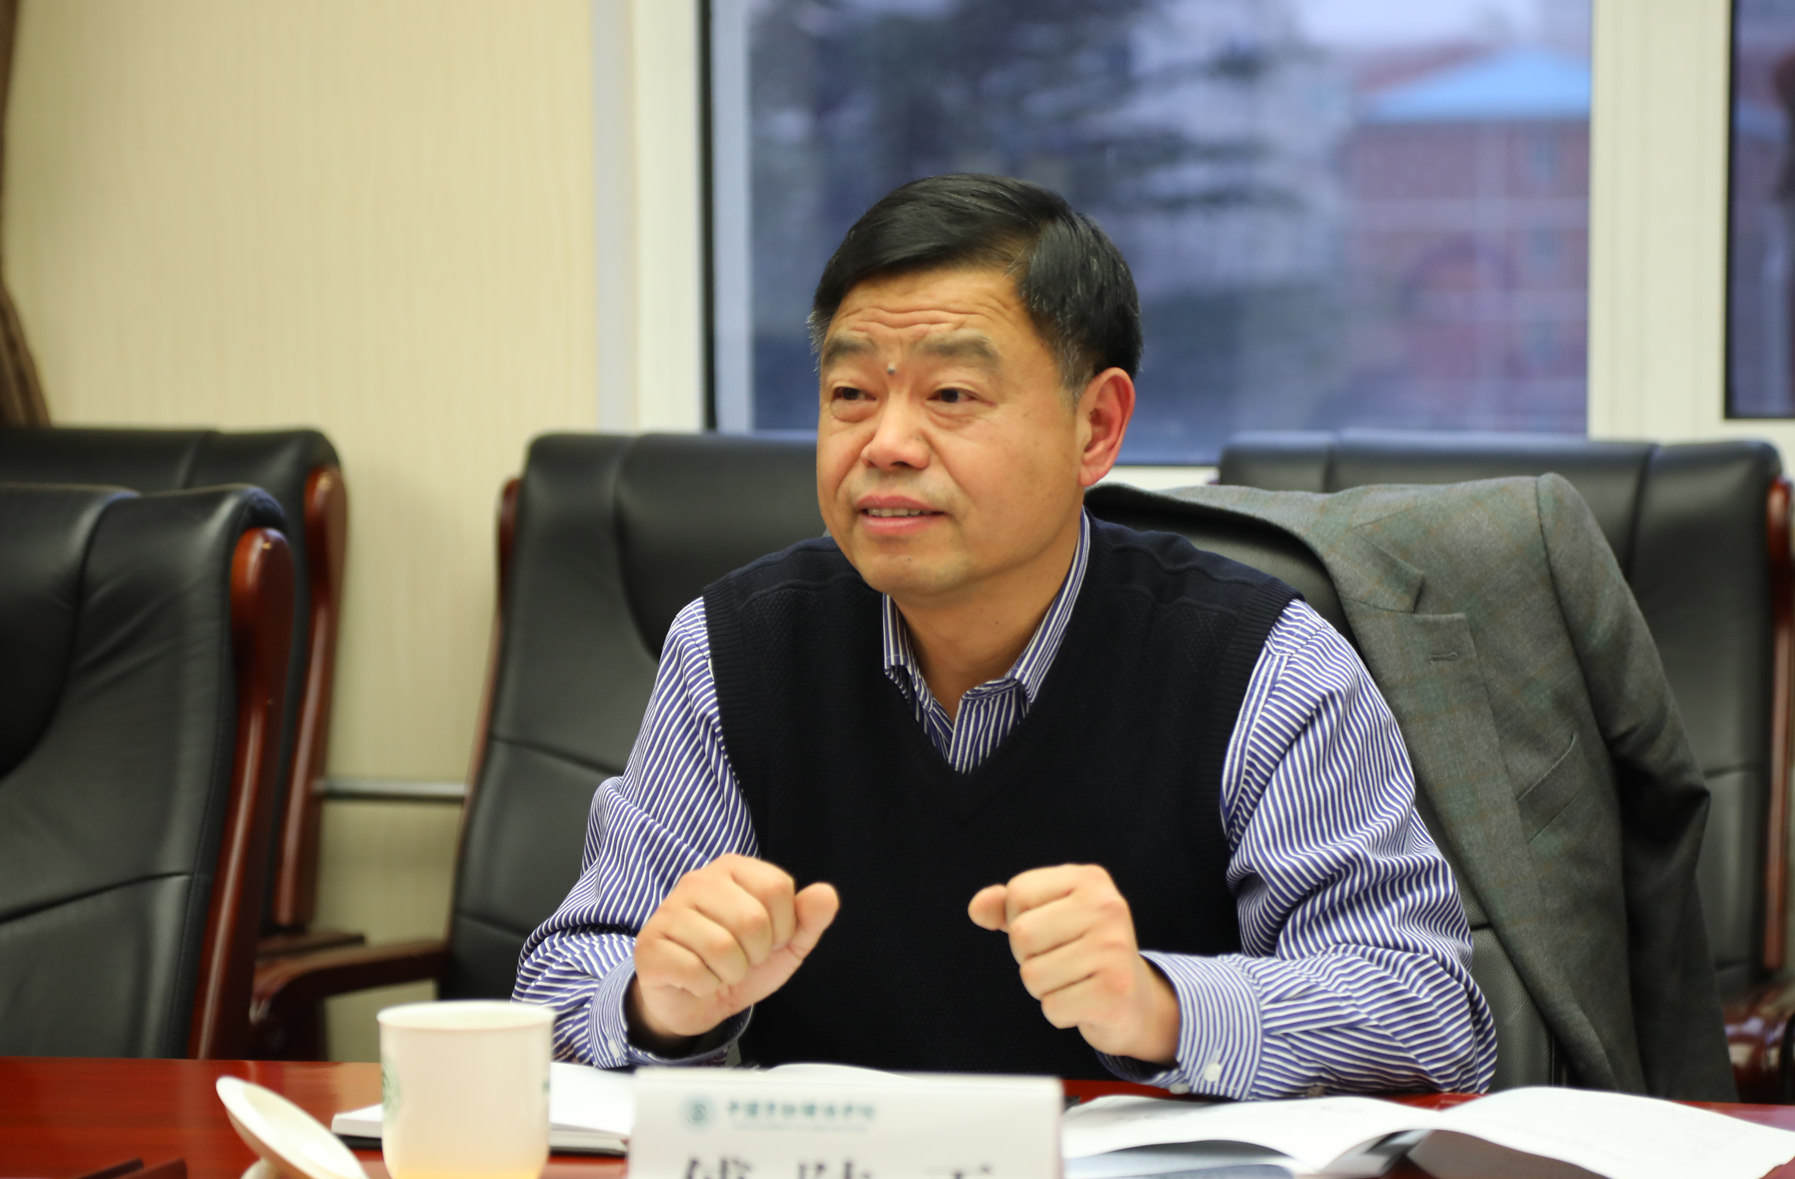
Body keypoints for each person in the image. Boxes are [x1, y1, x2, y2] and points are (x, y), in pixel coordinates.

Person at [515, 173, 1495, 1099]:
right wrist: (659, 1005)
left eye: (951, 396)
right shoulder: (734, 648)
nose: (885, 444)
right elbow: (560, 981)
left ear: (1095, 427)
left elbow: (1427, 1011)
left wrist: (1159, 1006)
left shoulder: (1262, 665)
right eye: (850, 394)